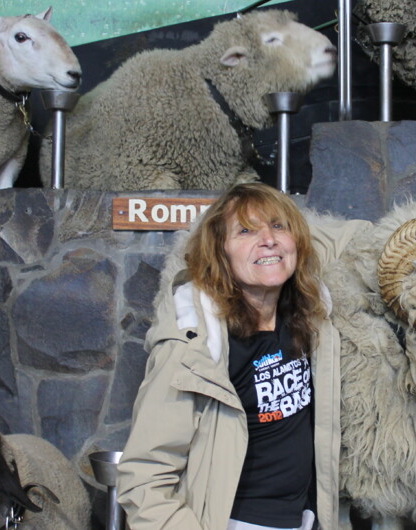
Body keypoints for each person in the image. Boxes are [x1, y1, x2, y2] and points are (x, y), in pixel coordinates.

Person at [116, 183, 371, 530]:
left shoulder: (304, 318)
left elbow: (351, 237)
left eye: (279, 226)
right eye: (246, 231)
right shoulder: (191, 349)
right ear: (220, 253)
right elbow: (144, 477)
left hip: (305, 521)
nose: (268, 239)